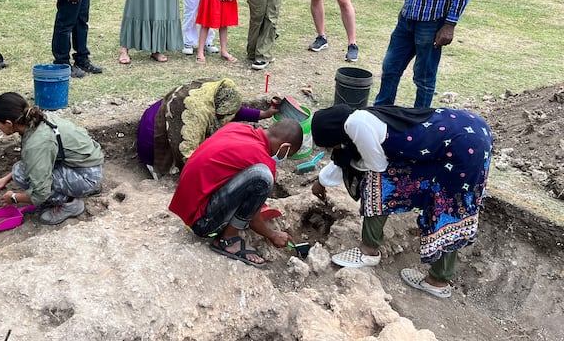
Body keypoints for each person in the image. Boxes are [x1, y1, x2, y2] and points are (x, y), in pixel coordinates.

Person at [310, 104, 492, 299]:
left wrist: (344, 167)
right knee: (441, 202)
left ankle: (435, 280)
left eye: (331, 144)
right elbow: (352, 154)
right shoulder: (359, 118)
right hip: (467, 129)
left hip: (464, 147)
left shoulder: (356, 126)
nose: (334, 148)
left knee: (447, 206)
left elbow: (376, 165)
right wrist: (322, 181)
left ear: (334, 135)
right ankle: (375, 251)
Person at [169, 119, 302, 267]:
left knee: (258, 176)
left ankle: (225, 230)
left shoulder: (238, 128)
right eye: (288, 155)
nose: (284, 158)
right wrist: (273, 235)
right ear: (285, 147)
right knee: (263, 177)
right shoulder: (263, 160)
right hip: (201, 222)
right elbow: (253, 220)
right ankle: (228, 239)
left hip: (189, 207)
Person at [0, 92, 104, 225]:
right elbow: (41, 159)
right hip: (86, 166)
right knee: (19, 171)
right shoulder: (38, 119)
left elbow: (41, 192)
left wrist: (14, 198)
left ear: (8, 123)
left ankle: (70, 205)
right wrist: (7, 178)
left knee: (21, 174)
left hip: (87, 176)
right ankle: (75, 191)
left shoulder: (37, 143)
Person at [136, 78, 279, 178]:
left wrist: (264, 114)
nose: (227, 117)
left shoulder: (212, 90)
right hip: (154, 142)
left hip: (158, 116)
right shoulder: (196, 115)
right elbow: (188, 156)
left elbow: (231, 110)